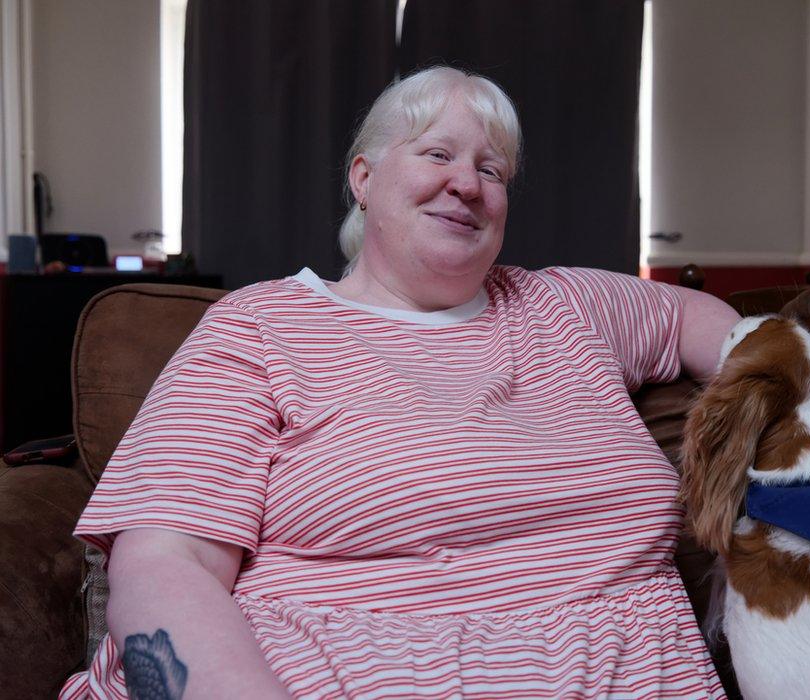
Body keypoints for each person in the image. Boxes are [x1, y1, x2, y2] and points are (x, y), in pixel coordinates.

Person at [61, 66, 741, 699]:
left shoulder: (567, 305)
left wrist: (793, 404)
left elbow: (700, 321)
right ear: (363, 177)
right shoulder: (263, 325)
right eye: (437, 154)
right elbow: (165, 562)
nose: (468, 185)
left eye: (492, 169)